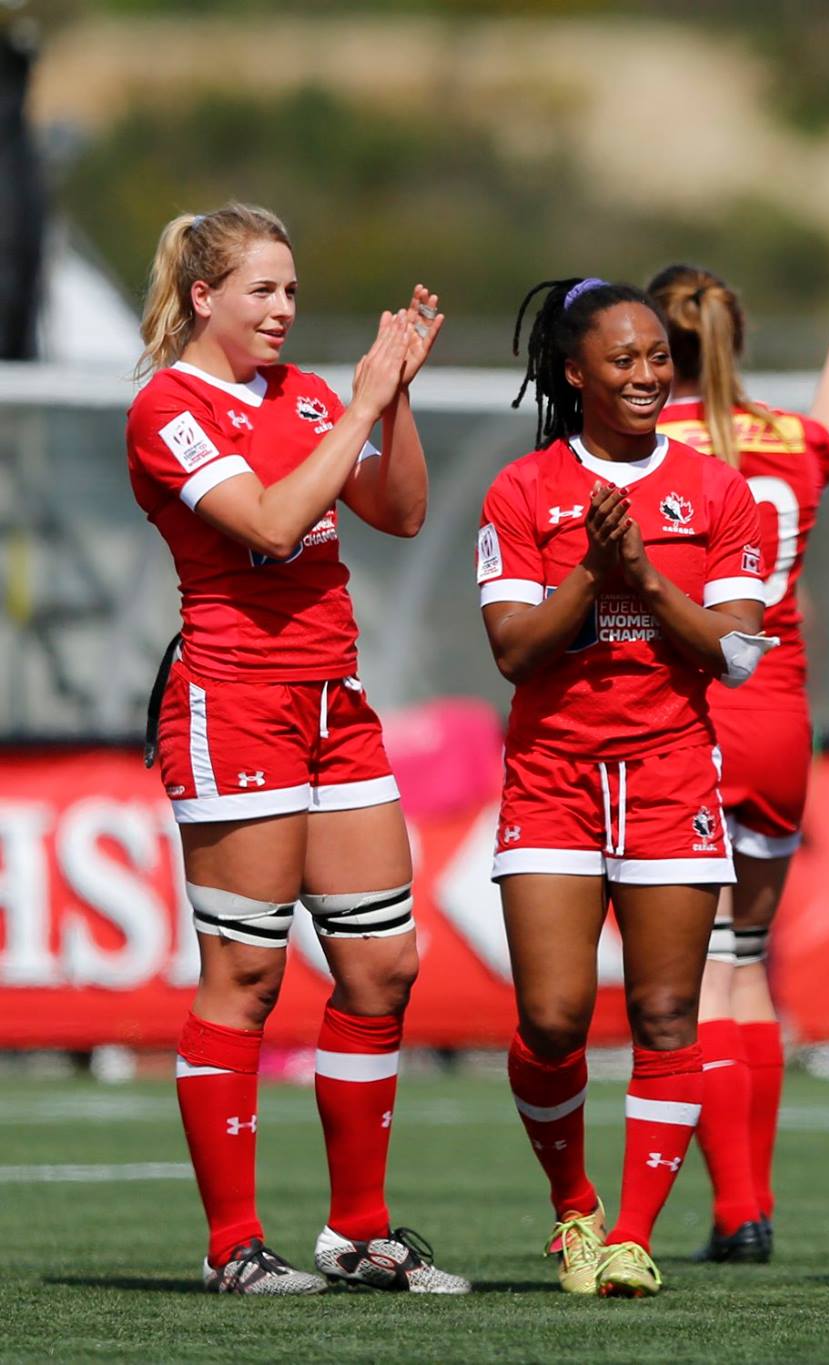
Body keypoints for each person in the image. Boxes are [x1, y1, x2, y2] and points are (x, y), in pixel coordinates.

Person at [127, 202, 468, 1294]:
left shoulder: (314, 395)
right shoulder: (168, 409)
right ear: (202, 299)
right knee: (247, 975)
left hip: (336, 706)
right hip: (235, 706)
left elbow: (401, 511)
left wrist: (393, 394)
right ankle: (234, 1246)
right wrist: (362, 397)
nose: (283, 308)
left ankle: (357, 1233)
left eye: (290, 289)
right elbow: (271, 524)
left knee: (382, 965)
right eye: (262, 290)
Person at [477, 276, 770, 1298]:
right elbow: (514, 652)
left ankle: (635, 1237)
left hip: (669, 777)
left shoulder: (718, 491)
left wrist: (643, 576)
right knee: (552, 1019)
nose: (647, 374)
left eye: (656, 357)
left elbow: (736, 656)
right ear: (574, 374)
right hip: (552, 778)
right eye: (623, 359)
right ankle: (574, 1210)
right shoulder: (522, 493)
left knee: (664, 1013)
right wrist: (591, 574)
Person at [648, 254, 829, 1262]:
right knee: (747, 962)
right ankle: (752, 1203)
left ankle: (731, 1210)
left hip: (684, 713)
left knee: (693, 981)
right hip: (777, 716)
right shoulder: (787, 444)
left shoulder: (637, 444)